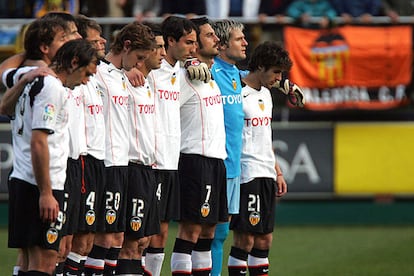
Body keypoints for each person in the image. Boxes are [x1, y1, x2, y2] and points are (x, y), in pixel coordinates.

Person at [7, 38, 98, 276]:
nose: (86, 81)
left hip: (22, 178)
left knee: (29, 260)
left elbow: (4, 106)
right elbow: (39, 142)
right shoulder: (52, 88)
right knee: (46, 260)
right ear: (74, 62)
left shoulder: (35, 79)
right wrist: (46, 192)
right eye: (87, 74)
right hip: (39, 184)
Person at [83, 21, 155, 276]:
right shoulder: (97, 72)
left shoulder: (122, 76)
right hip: (106, 163)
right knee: (100, 239)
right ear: (126, 46)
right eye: (138, 57)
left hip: (122, 163)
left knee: (116, 238)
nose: (139, 64)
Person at [171, 16, 228, 275]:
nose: (216, 39)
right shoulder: (184, 77)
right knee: (191, 229)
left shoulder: (209, 75)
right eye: (208, 35)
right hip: (194, 159)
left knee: (209, 230)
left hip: (216, 160)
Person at [227, 41, 289, 275]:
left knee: (265, 240)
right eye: (276, 72)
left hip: (266, 173)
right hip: (246, 173)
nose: (279, 78)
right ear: (260, 67)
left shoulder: (267, 94)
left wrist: (278, 171)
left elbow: (265, 136)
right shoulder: (237, 92)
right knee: (245, 239)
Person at [143, 15, 198, 276]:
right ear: (170, 41)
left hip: (170, 161)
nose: (193, 48)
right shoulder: (150, 70)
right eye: (188, 42)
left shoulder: (181, 71)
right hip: (149, 161)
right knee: (142, 233)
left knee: (162, 231)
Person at [114, 22, 163, 275]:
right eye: (158, 49)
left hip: (149, 168)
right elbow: (105, 63)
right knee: (129, 244)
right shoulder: (121, 78)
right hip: (131, 167)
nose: (162, 54)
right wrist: (126, 70)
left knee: (143, 241)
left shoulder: (149, 83)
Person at [62, 14, 107, 276]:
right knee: (65, 239)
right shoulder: (66, 81)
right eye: (93, 40)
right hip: (74, 161)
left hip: (95, 162)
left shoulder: (100, 75)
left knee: (86, 239)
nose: (102, 42)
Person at [210, 19, 248, 276]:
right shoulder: (209, 71)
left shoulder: (237, 74)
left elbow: (258, 76)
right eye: (238, 39)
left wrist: (283, 83)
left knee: (222, 232)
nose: (245, 43)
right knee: (207, 233)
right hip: (213, 163)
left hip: (233, 165)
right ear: (222, 45)